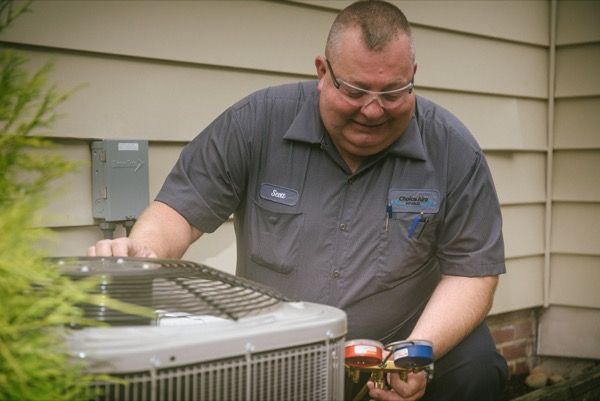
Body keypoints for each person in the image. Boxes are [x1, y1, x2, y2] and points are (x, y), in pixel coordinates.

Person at [87, 1, 508, 399]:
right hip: (278, 352)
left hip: (396, 349)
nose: (374, 110)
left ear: (413, 75)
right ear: (323, 71)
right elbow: (180, 210)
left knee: (477, 370)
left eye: (393, 92)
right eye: (356, 91)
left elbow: (473, 273)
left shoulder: (453, 150)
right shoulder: (256, 122)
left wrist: (413, 354)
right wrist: (143, 252)